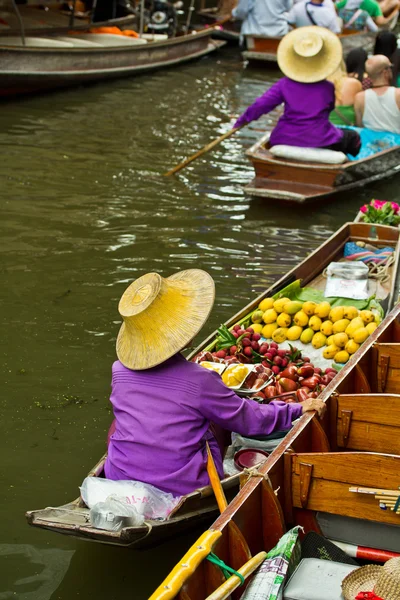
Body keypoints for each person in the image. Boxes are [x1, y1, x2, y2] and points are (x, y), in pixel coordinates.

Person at [104, 269, 326, 496]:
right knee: (217, 420)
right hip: (181, 486)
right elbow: (248, 419)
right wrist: (295, 409)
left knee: (118, 423)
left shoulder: (118, 370)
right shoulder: (199, 380)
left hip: (118, 474)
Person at [234, 27, 361, 157]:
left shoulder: (283, 84)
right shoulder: (328, 87)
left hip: (284, 137)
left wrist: (241, 121)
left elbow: (261, 105)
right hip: (320, 139)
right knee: (353, 137)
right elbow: (329, 108)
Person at [354, 54, 400, 132]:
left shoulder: (359, 97)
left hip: (371, 143)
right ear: (385, 72)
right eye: (390, 67)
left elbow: (359, 125)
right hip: (396, 143)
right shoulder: (398, 94)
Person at [335, 0, 400, 27]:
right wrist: (395, 11)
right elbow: (380, 22)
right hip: (363, 27)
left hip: (345, 24)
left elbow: (335, 7)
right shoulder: (374, 6)